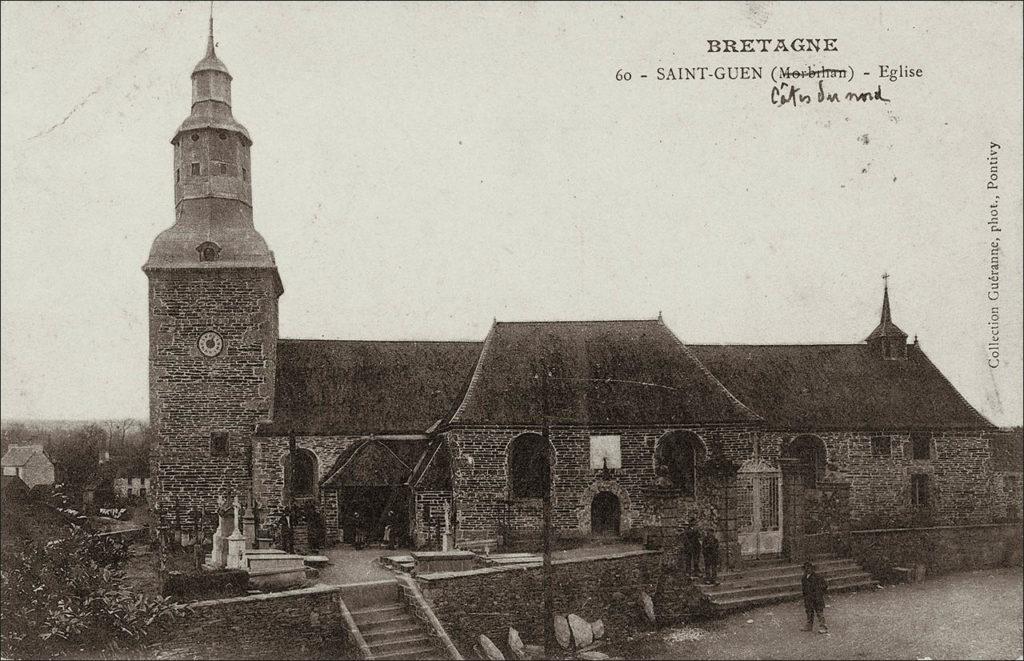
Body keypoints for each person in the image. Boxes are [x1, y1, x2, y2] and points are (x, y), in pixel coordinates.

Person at [801, 561, 829, 633]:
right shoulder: (804, 578)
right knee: (809, 612)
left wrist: (819, 591)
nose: (807, 569)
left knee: (819, 612)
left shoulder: (817, 577)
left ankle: (823, 627)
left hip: (817, 598)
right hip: (808, 598)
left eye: (809, 568)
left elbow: (825, 585)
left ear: (812, 569)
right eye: (806, 568)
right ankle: (809, 626)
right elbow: (804, 588)